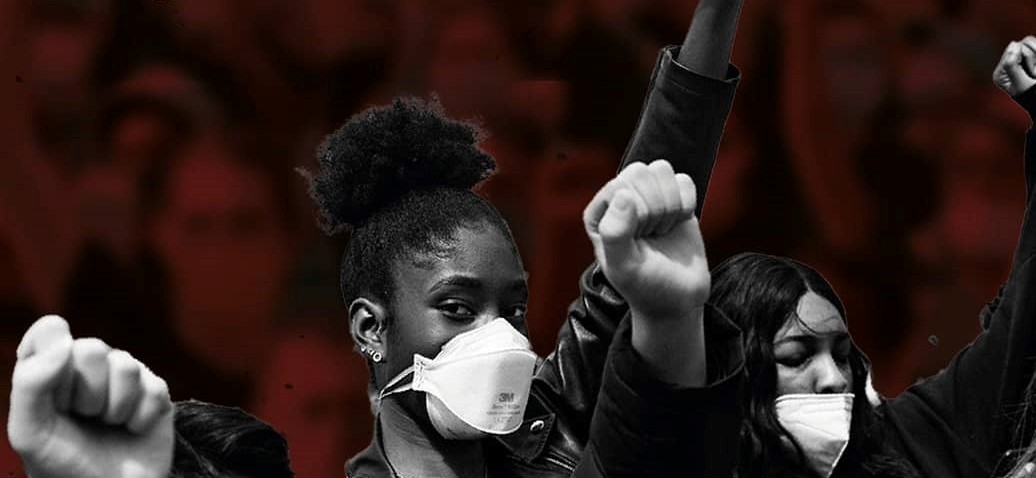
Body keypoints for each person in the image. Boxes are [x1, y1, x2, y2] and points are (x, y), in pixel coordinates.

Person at [680, 36, 1036, 478]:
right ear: (734, 371)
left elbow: (1022, 318)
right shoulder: (668, 460)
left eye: (842, 354)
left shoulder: (909, 442)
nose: (833, 379)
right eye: (796, 357)